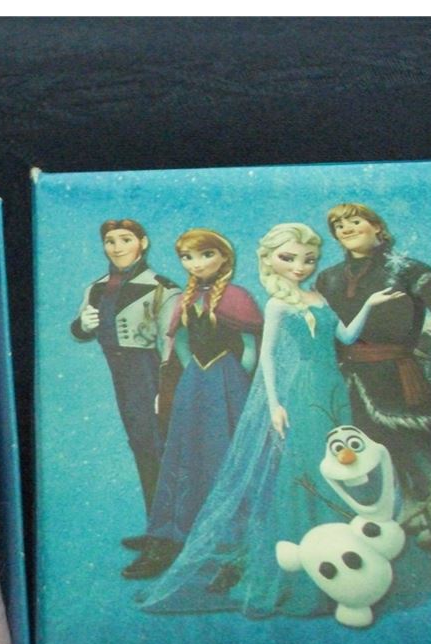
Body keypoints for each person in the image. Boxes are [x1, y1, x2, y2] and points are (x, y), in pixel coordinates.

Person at [141, 223, 400, 617]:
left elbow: (346, 337)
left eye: (308, 259)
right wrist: (276, 404)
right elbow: (266, 357)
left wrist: (370, 304)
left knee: (336, 467)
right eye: (289, 258)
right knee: (306, 470)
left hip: (333, 388)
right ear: (269, 260)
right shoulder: (277, 304)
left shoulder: (319, 297)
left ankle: (347, 564)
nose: (300, 267)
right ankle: (308, 566)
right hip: (303, 393)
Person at [315, 203, 431, 583]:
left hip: (400, 382)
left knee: (428, 462)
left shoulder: (409, 270)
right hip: (344, 385)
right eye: (339, 225)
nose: (346, 228)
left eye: (355, 221)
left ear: (378, 227)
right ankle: (368, 549)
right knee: (358, 469)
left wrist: (427, 349)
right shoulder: (327, 279)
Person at [123, 229, 262, 579]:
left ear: (224, 257)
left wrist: (237, 380)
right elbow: (181, 341)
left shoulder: (237, 296)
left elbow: (250, 346)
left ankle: (229, 540)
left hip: (228, 381)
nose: (196, 264)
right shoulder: (187, 298)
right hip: (195, 383)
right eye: (187, 257)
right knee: (185, 452)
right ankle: (173, 530)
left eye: (205, 255)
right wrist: (190, 375)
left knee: (223, 452)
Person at [70, 219, 180, 520]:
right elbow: (79, 331)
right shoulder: (97, 288)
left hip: (149, 371)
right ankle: (158, 525)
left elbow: (172, 343)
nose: (117, 248)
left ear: (143, 243)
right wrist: (82, 325)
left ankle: (169, 529)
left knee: (156, 446)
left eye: (126, 239)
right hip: (119, 373)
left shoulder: (162, 288)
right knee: (141, 445)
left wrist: (166, 388)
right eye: (110, 241)